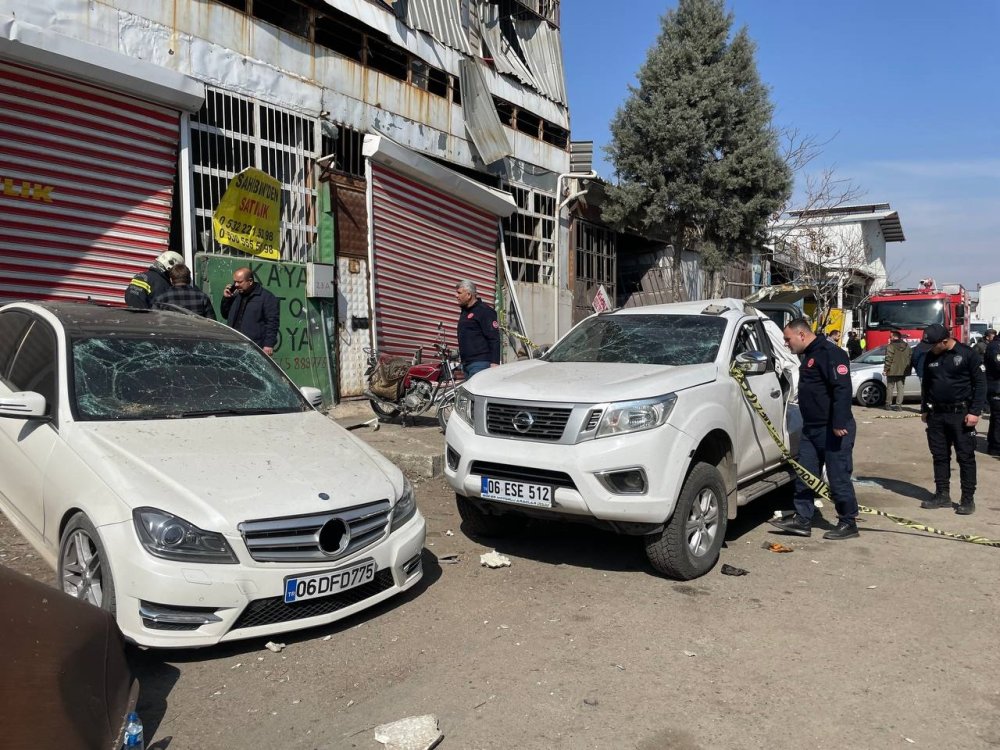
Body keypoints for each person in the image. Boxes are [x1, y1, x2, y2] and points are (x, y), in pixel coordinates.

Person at [769, 318, 860, 540]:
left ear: (801, 335)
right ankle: (802, 520)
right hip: (812, 428)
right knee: (805, 475)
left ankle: (848, 523)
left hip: (834, 428)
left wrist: (839, 423)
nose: (786, 344)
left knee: (838, 477)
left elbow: (842, 389)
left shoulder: (831, 353)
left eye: (787, 339)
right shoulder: (809, 355)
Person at [917, 323, 986, 515]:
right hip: (936, 415)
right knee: (939, 456)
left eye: (933, 345)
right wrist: (924, 408)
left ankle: (967, 499)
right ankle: (942, 494)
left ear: (944, 341)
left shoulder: (967, 354)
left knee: (965, 457)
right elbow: (927, 384)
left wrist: (975, 411)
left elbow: (980, 384)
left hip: (961, 414)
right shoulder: (931, 355)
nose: (930, 349)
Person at [220, 267, 280, 356]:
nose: (236, 285)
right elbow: (225, 315)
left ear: (250, 281)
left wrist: (268, 345)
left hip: (254, 346)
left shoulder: (266, 297)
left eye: (239, 282)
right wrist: (226, 299)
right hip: (233, 344)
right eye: (235, 282)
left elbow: (272, 323)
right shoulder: (236, 295)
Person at [455, 279, 500, 378]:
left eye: (459, 293)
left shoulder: (484, 311)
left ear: (469, 295)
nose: (456, 296)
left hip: (480, 364)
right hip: (467, 364)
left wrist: (495, 362)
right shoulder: (465, 312)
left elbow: (494, 338)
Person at [882, 329, 912, 410]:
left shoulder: (890, 346)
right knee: (901, 388)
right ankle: (898, 406)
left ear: (895, 337)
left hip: (891, 370)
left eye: (890, 336)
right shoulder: (907, 346)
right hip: (902, 371)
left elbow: (888, 359)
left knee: (890, 388)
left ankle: (888, 405)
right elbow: (910, 357)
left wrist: (885, 369)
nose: (889, 338)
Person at [985, 330, 1000, 456]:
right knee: (998, 418)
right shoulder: (995, 347)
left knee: (996, 418)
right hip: (996, 388)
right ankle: (996, 446)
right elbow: (998, 365)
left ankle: (993, 444)